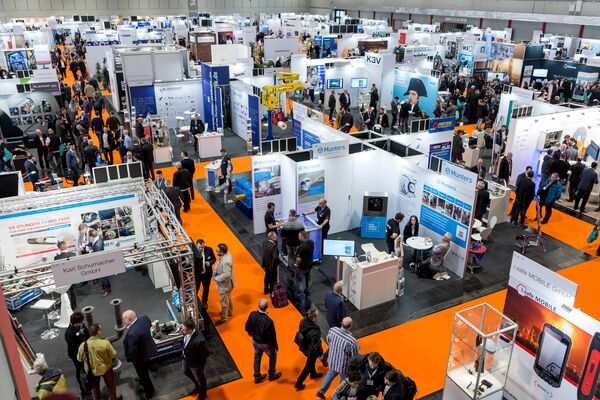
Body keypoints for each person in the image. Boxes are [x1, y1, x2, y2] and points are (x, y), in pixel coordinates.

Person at [316, 317, 360, 399]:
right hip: (344, 367)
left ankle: (321, 391)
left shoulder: (333, 330)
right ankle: (339, 395)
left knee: (329, 376)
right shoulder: (352, 341)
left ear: (341, 323)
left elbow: (328, 341)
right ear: (351, 326)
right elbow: (354, 357)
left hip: (333, 360)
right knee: (343, 382)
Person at [77, 323, 122, 400]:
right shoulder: (105, 343)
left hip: (92, 371)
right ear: (98, 332)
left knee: (95, 389)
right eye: (100, 330)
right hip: (106, 369)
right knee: (111, 387)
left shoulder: (83, 346)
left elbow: (79, 359)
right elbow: (113, 355)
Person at [244, 298, 282, 383]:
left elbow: (247, 326)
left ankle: (257, 377)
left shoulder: (252, 314)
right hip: (265, 344)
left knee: (257, 358)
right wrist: (275, 347)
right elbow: (272, 336)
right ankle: (271, 375)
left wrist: (251, 334)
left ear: (258, 305)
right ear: (267, 307)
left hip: (255, 341)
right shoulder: (268, 321)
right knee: (273, 356)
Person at [122, 310, 157, 397]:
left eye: (124, 319)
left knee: (143, 375)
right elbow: (149, 324)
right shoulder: (144, 319)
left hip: (140, 357)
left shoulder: (131, 334)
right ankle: (151, 368)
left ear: (129, 320)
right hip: (148, 348)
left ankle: (149, 391)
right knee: (148, 363)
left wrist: (132, 359)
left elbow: (132, 351)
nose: (123, 321)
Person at [295, 308, 324, 390]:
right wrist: (320, 353)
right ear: (314, 318)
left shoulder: (303, 321)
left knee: (311, 362)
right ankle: (298, 383)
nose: (318, 317)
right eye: (317, 316)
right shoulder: (315, 330)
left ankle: (313, 374)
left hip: (305, 345)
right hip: (312, 350)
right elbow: (316, 345)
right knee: (308, 365)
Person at [181, 318, 210, 400]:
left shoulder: (199, 341)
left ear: (189, 330)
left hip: (195, 363)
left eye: (183, 329)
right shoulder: (186, 332)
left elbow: (206, 354)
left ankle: (203, 393)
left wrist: (199, 366)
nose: (182, 330)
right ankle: (197, 386)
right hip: (186, 358)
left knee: (200, 378)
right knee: (185, 371)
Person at [64, 312, 90, 396]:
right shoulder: (69, 333)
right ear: (76, 323)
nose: (83, 323)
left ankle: (88, 382)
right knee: (79, 370)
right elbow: (79, 345)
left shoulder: (80, 325)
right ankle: (83, 389)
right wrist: (81, 335)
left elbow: (87, 334)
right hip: (75, 354)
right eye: (81, 321)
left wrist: (83, 333)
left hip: (83, 352)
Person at [214, 243, 234, 325]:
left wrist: (217, 278)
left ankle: (224, 318)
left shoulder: (226, 261)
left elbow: (227, 274)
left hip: (224, 285)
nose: (216, 252)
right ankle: (229, 312)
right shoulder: (227, 254)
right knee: (228, 297)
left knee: (224, 302)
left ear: (222, 252)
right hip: (228, 284)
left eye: (217, 251)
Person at [295, 230, 315, 312]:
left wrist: (296, 264)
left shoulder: (301, 247)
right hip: (309, 265)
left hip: (302, 267)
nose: (298, 237)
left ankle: (300, 294)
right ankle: (308, 291)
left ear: (302, 237)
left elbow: (298, 259)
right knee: (308, 278)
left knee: (299, 280)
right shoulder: (311, 242)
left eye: (299, 236)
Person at [88, 229, 111, 297]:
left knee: (104, 276)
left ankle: (108, 290)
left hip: (100, 261)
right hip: (101, 259)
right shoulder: (98, 238)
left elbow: (97, 254)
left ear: (91, 236)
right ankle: (104, 286)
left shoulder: (98, 245)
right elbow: (93, 244)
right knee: (103, 276)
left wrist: (91, 252)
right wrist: (88, 244)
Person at [195, 239, 216, 308]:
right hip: (198, 275)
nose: (201, 249)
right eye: (199, 247)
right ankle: (194, 300)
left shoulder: (209, 250)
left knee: (206, 288)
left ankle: (204, 301)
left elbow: (214, 259)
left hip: (207, 274)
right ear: (196, 245)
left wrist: (209, 263)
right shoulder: (193, 252)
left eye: (202, 247)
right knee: (196, 287)